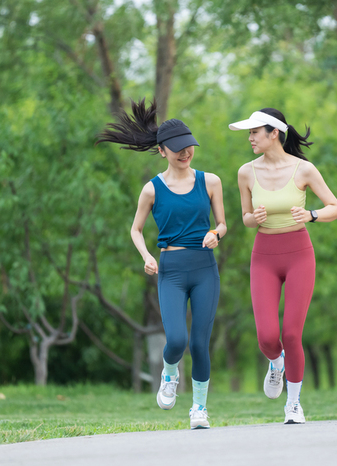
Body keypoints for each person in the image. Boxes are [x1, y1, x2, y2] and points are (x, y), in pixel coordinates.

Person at [98, 99, 226, 429]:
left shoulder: (210, 182)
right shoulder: (151, 189)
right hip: (170, 269)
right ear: (162, 151)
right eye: (178, 149)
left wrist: (216, 232)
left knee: (199, 342)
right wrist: (146, 256)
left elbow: (223, 224)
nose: (186, 153)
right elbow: (136, 230)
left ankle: (199, 408)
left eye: (189, 147)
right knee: (178, 341)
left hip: (204, 268)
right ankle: (169, 373)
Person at [230, 109, 337, 424]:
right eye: (249, 133)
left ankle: (293, 404)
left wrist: (312, 215)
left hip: (299, 254)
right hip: (264, 255)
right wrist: (255, 218)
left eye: (255, 132)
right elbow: (245, 218)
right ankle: (276, 363)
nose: (250, 138)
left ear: (274, 133)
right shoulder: (245, 172)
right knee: (267, 337)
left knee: (292, 334)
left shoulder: (303, 170)